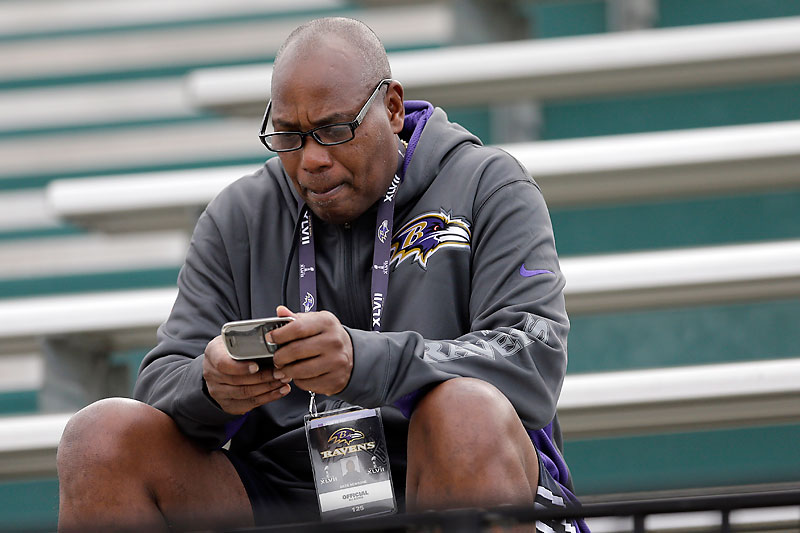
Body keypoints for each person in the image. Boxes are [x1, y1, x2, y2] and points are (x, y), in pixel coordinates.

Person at [57, 17, 588, 533]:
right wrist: (212, 384)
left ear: (393, 108)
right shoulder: (238, 217)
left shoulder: (489, 186)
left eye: (334, 131)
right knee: (99, 439)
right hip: (286, 493)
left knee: (465, 411)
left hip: (449, 471)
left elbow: (532, 357)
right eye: (289, 136)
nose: (311, 160)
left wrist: (363, 361)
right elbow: (160, 382)